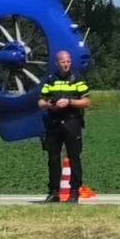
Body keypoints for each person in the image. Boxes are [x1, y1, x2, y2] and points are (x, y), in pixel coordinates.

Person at [38, 50, 91, 203]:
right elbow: (40, 101)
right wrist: (48, 105)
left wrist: (70, 102)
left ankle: (74, 192)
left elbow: (87, 102)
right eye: (63, 62)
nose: (66, 64)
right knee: (53, 158)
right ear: (57, 63)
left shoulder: (77, 79)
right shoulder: (50, 79)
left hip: (72, 121)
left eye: (68, 61)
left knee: (73, 157)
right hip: (54, 122)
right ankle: (54, 191)